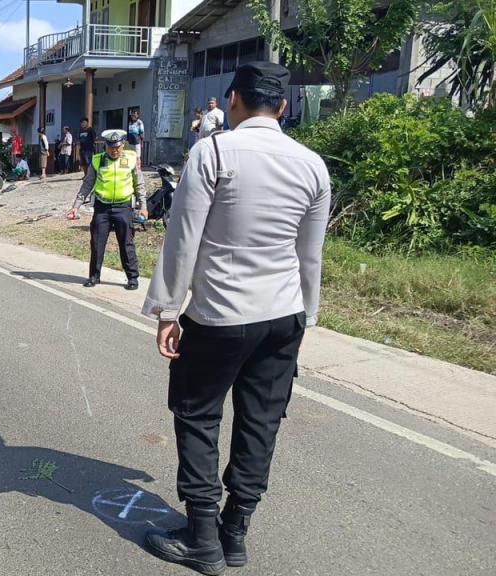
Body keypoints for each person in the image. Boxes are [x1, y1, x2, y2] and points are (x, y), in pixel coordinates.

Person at [141, 62, 331, 575]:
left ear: (232, 100)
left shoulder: (214, 152)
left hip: (221, 314)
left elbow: (183, 241)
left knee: (199, 415)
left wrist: (166, 310)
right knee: (260, 423)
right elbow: (308, 255)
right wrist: (306, 319)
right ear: (284, 107)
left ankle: (203, 538)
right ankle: (235, 533)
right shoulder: (313, 165)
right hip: (284, 314)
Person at [66, 130, 147, 290]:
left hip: (124, 207)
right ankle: (94, 276)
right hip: (102, 208)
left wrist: (143, 206)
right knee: (97, 243)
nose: (114, 150)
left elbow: (139, 185)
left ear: (122, 146)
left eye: (117, 147)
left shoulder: (130, 159)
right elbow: (87, 185)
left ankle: (132, 278)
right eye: (111, 147)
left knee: (126, 243)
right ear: (105, 146)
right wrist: (75, 207)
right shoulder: (97, 161)